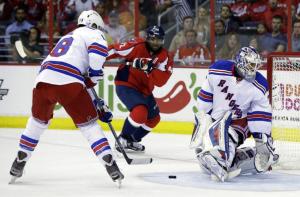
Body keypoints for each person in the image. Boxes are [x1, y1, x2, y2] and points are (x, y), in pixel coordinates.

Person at [9, 10, 124, 184]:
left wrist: (94, 99)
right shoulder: (94, 34)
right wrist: (93, 82)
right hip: (69, 81)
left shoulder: (68, 36)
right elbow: (95, 65)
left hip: (43, 80)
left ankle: (20, 159)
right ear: (95, 25)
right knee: (89, 126)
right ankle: (109, 161)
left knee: (37, 122)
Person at [190, 46, 279, 182]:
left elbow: (260, 114)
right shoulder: (218, 70)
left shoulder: (259, 85)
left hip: (239, 123)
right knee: (214, 140)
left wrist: (262, 140)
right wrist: (203, 120)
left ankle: (223, 159)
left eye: (256, 65)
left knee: (230, 137)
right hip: (216, 119)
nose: (254, 69)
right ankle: (227, 159)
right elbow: (205, 99)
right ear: (241, 62)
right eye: (251, 64)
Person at [107, 25, 173, 152]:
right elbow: (115, 50)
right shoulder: (136, 45)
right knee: (140, 112)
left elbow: (160, 82)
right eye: (152, 39)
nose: (155, 42)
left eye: (159, 39)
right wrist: (94, 61)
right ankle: (123, 139)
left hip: (144, 90)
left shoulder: (165, 57)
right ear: (147, 38)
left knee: (154, 119)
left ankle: (131, 140)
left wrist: (150, 69)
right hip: (126, 83)